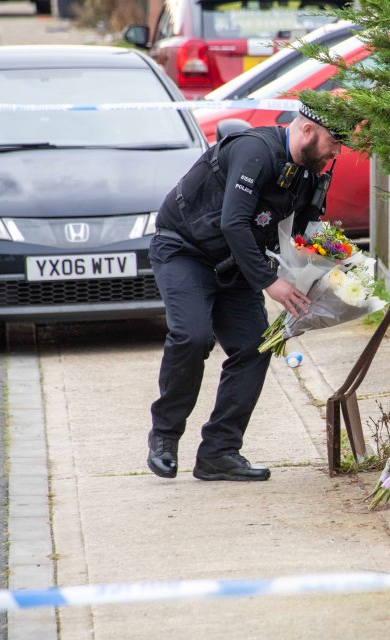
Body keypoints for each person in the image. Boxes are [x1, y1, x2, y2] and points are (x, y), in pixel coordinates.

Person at [146, 102, 344, 482]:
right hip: (186, 250)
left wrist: (338, 269)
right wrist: (270, 283)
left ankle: (219, 451)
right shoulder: (255, 151)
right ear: (307, 132)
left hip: (238, 262)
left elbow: (305, 231)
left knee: (257, 344)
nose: (337, 153)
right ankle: (165, 436)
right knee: (192, 336)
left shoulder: (308, 172)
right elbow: (233, 221)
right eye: (333, 142)